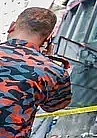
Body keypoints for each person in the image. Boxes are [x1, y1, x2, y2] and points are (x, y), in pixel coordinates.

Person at [0, 7, 72, 137]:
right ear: (48, 38)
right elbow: (54, 106)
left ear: (12, 26)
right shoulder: (53, 71)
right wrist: (48, 59)